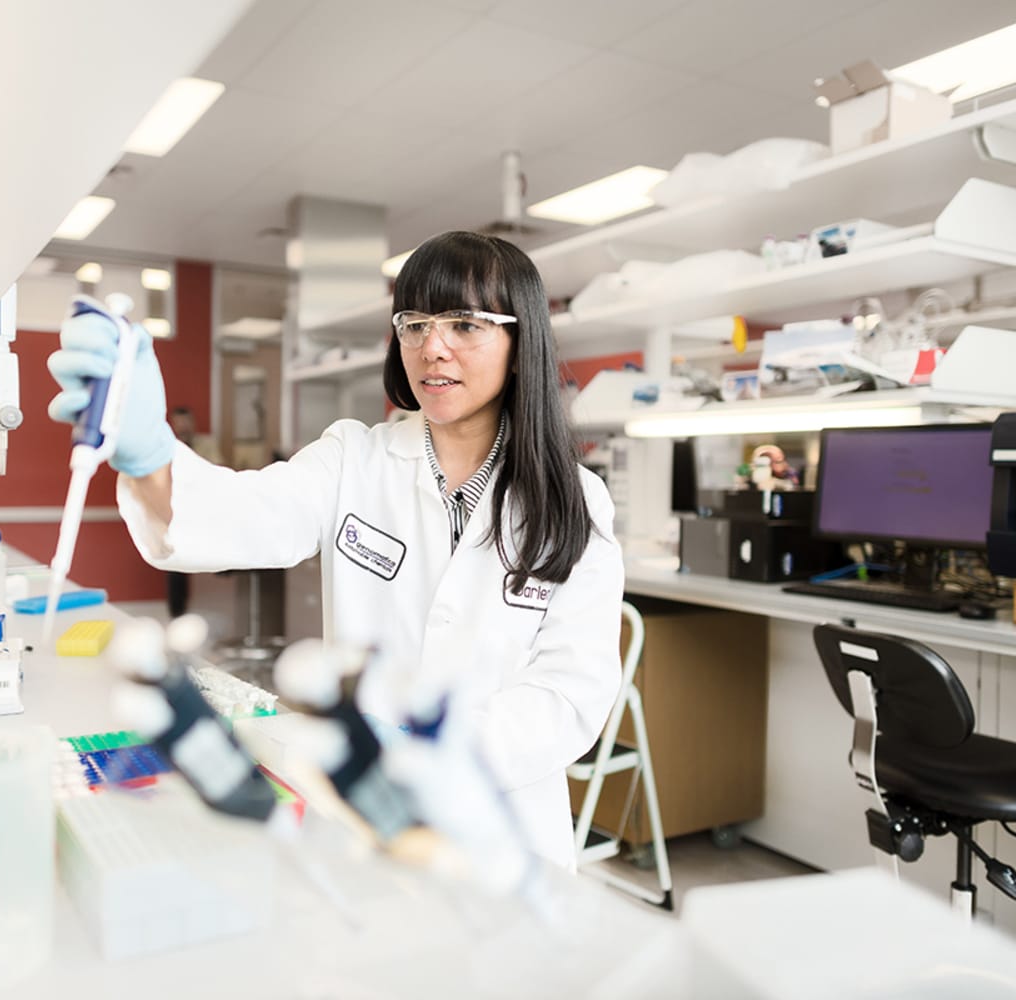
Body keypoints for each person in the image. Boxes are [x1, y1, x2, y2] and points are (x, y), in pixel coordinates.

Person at [46, 231, 624, 868]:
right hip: (361, 823)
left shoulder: (577, 500)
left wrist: (429, 755)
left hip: (501, 832)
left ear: (521, 344)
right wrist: (149, 453)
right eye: (413, 323)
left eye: (465, 324)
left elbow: (570, 693)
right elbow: (241, 516)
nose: (432, 346)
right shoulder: (355, 458)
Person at [164, 406, 221, 617]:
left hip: (203, 512)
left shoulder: (206, 445)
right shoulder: (166, 447)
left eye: (186, 421)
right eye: (178, 422)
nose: (183, 426)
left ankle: (202, 610)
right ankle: (177, 612)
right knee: (175, 562)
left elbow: (216, 471)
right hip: (175, 512)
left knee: (202, 559)